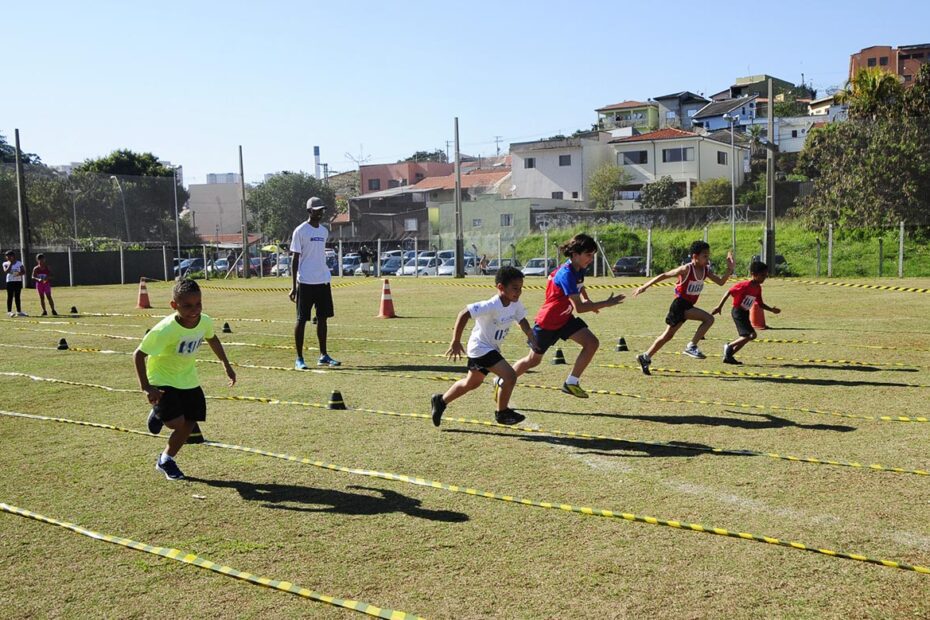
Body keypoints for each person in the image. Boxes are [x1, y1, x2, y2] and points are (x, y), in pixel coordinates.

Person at [133, 279, 236, 480]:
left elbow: (212, 338)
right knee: (175, 423)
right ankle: (159, 413)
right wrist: (146, 387)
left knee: (190, 422)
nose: (194, 309)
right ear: (174, 305)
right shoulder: (165, 330)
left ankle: (166, 460)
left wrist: (226, 364)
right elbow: (138, 355)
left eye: (198, 303)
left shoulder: (204, 321)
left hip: (188, 379)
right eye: (187, 306)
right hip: (163, 380)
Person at [504, 233, 624, 399]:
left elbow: (580, 287)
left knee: (591, 343)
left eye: (593, 255)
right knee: (533, 360)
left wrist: (587, 298)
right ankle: (503, 380)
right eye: (588, 255)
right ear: (575, 255)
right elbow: (580, 308)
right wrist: (605, 303)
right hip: (548, 322)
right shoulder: (566, 274)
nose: (591, 259)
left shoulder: (579, 269)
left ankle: (571, 382)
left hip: (565, 319)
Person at [431, 266, 536, 427]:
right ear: (500, 287)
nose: (518, 292)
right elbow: (464, 313)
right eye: (515, 288)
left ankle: (441, 400)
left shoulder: (515, 304)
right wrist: (456, 341)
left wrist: (530, 334)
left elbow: (521, 319)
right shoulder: (491, 305)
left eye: (521, 288)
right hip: (480, 348)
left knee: (471, 383)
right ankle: (502, 413)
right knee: (510, 376)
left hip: (490, 348)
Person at [632, 240, 734, 375]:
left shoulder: (705, 271)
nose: (707, 259)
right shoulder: (686, 269)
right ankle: (691, 346)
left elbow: (721, 282)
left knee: (667, 336)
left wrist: (729, 269)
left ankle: (645, 357)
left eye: (708, 256)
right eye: (704, 256)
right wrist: (644, 287)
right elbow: (664, 275)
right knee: (708, 319)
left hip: (688, 305)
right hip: (679, 305)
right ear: (694, 256)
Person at [289, 196, 340, 369]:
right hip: (305, 282)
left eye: (322, 209)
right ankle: (299, 358)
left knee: (323, 319)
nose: (320, 212)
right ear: (310, 211)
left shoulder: (324, 231)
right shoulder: (300, 231)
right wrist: (293, 287)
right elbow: (295, 259)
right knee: (301, 319)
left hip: (323, 281)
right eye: (317, 209)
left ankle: (323, 355)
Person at [711, 260, 781, 364]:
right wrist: (719, 306)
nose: (764, 278)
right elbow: (729, 292)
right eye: (762, 275)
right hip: (738, 312)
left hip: (745, 313)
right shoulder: (745, 285)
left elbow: (760, 304)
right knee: (749, 336)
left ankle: (728, 356)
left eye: (765, 276)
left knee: (750, 336)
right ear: (753, 274)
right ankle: (729, 346)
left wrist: (772, 310)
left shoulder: (758, 288)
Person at [3, 250, 26, 317]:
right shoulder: (5, 263)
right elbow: (6, 271)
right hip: (10, 282)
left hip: (18, 282)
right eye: (7, 256)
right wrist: (11, 263)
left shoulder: (19, 263)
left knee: (17, 296)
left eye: (9, 256)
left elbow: (23, 272)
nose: (8, 257)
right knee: (10, 296)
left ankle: (19, 312)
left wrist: (19, 274)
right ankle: (9, 312)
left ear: (13, 256)